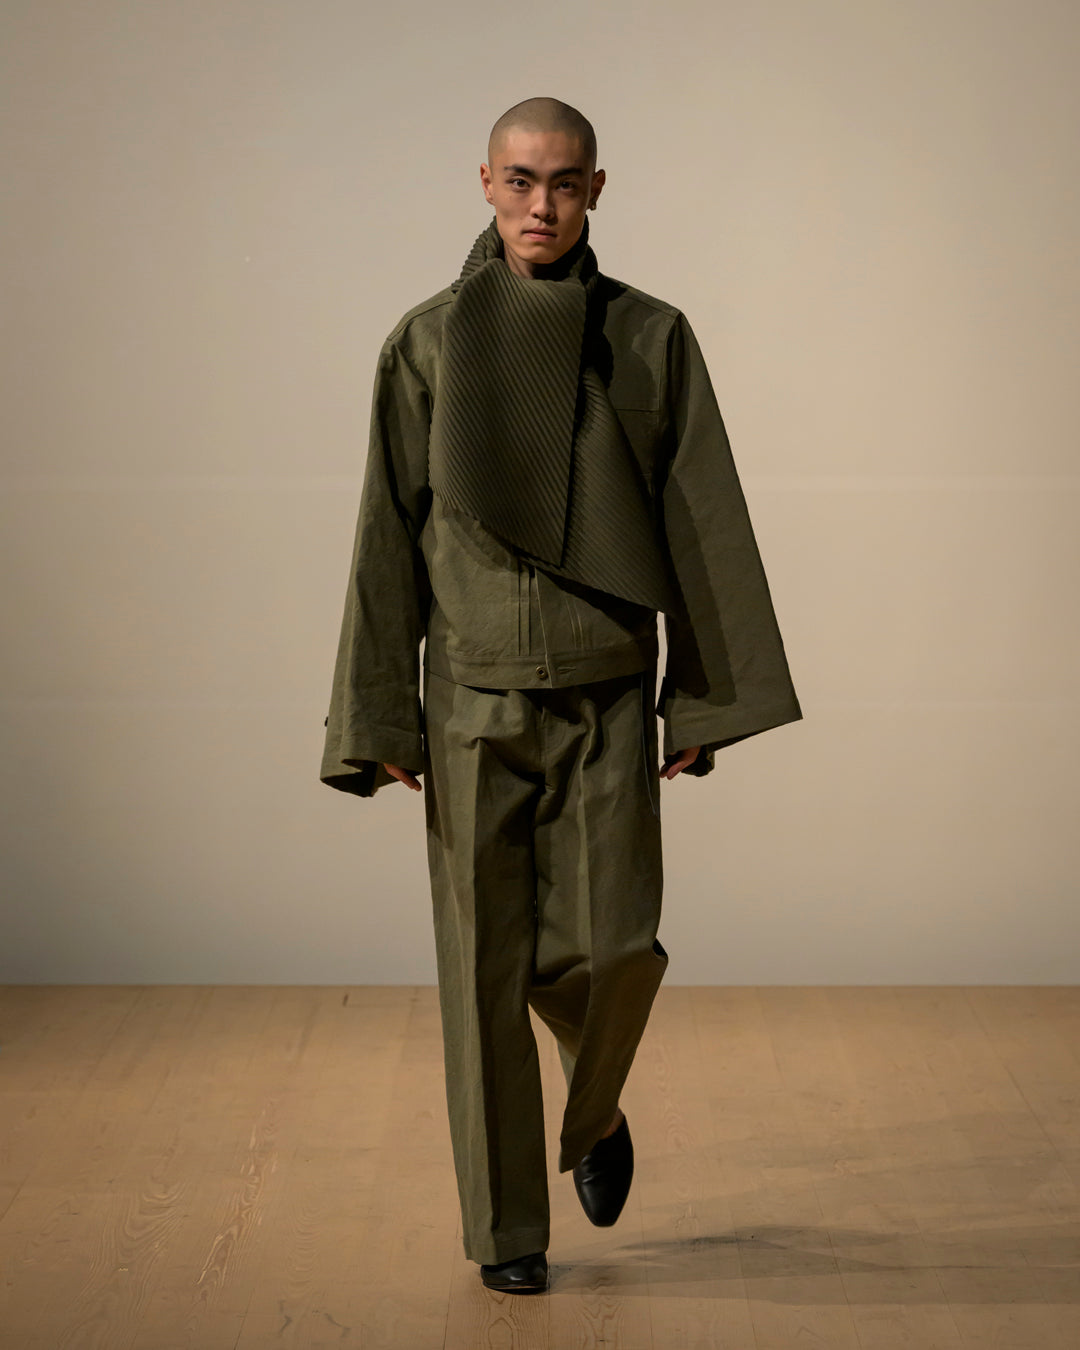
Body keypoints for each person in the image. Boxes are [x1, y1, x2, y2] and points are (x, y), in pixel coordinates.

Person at [320, 96, 801, 1294]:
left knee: (613, 947)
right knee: (482, 973)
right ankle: (507, 1235)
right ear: (485, 182)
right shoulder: (425, 344)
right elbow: (387, 530)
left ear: (597, 189)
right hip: (469, 700)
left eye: (566, 183)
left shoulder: (649, 337)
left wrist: (702, 698)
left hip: (606, 694)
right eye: (522, 180)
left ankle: (594, 1112)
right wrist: (376, 714)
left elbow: (701, 519)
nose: (543, 205)